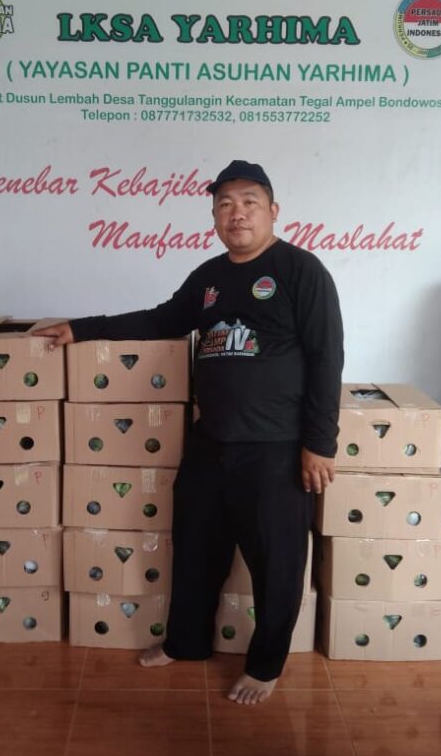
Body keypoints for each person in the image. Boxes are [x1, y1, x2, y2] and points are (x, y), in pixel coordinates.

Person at [37, 160, 344, 705]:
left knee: (276, 564)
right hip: (210, 442)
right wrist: (82, 329)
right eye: (225, 204)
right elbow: (161, 321)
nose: (237, 213)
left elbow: (327, 358)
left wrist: (319, 443)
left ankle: (265, 666)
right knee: (196, 548)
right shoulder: (208, 277)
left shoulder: (302, 271)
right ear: (214, 217)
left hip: (274, 448)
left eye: (249, 202)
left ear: (273, 211)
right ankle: (186, 642)